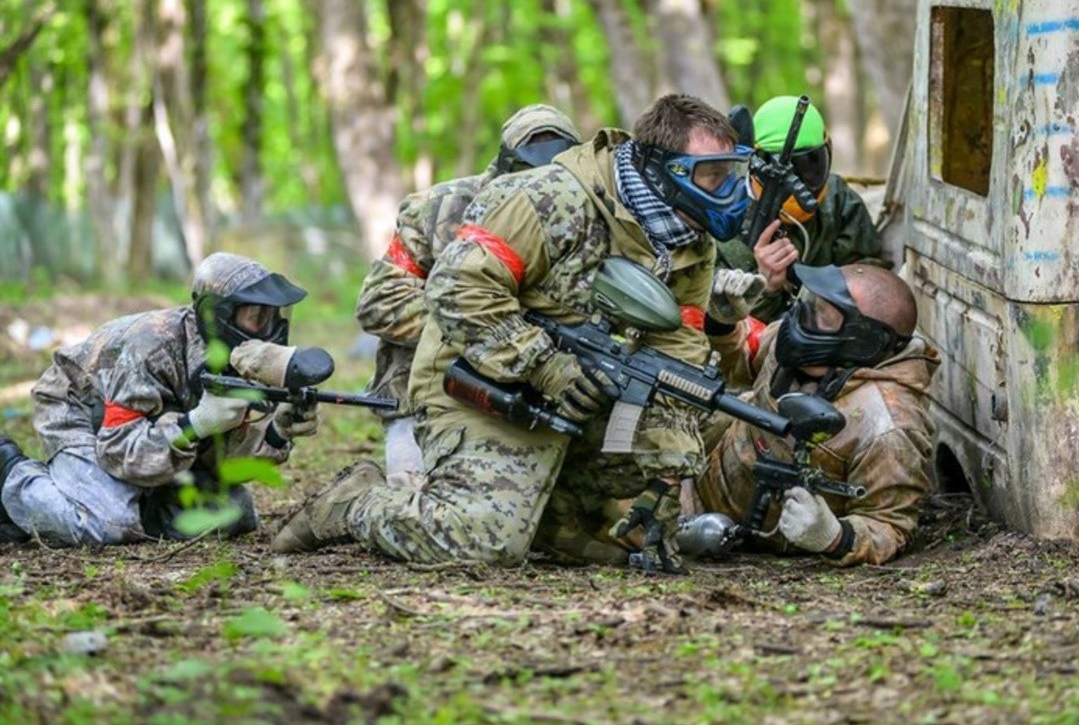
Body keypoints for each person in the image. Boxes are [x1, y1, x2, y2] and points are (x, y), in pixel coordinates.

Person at [272, 94, 752, 574]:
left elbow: (678, 345)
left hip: (579, 393)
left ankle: (553, 516)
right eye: (713, 173)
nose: (727, 189)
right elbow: (459, 288)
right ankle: (354, 502)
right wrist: (547, 368)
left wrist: (668, 468)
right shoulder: (550, 198)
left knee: (683, 434)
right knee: (484, 544)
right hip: (476, 384)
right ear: (661, 168)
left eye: (730, 172)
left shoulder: (689, 239)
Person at [0, 253, 319, 546]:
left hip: (148, 427)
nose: (271, 329)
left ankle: (128, 500)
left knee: (233, 513)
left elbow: (223, 462)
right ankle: (11, 472)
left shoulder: (235, 359)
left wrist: (277, 432)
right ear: (217, 314)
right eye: (257, 316)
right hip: (79, 407)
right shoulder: (151, 347)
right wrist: (195, 425)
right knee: (107, 523)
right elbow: (116, 448)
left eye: (275, 316)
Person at [355, 105, 582, 478]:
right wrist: (487, 324)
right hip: (427, 396)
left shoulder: (584, 217)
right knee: (417, 504)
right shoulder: (438, 209)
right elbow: (380, 300)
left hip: (534, 399)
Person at [695, 263, 939, 565]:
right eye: (811, 303)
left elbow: (890, 526)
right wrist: (723, 322)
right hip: (700, 484)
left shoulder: (888, 425)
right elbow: (742, 365)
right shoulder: (799, 346)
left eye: (822, 315)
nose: (803, 316)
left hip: (746, 539)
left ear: (862, 340)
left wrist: (834, 536)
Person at [717, 96, 884, 322]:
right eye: (781, 173)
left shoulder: (838, 200)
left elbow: (871, 273)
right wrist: (765, 286)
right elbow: (721, 324)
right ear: (754, 164)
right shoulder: (724, 219)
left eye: (810, 165)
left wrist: (832, 296)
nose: (796, 186)